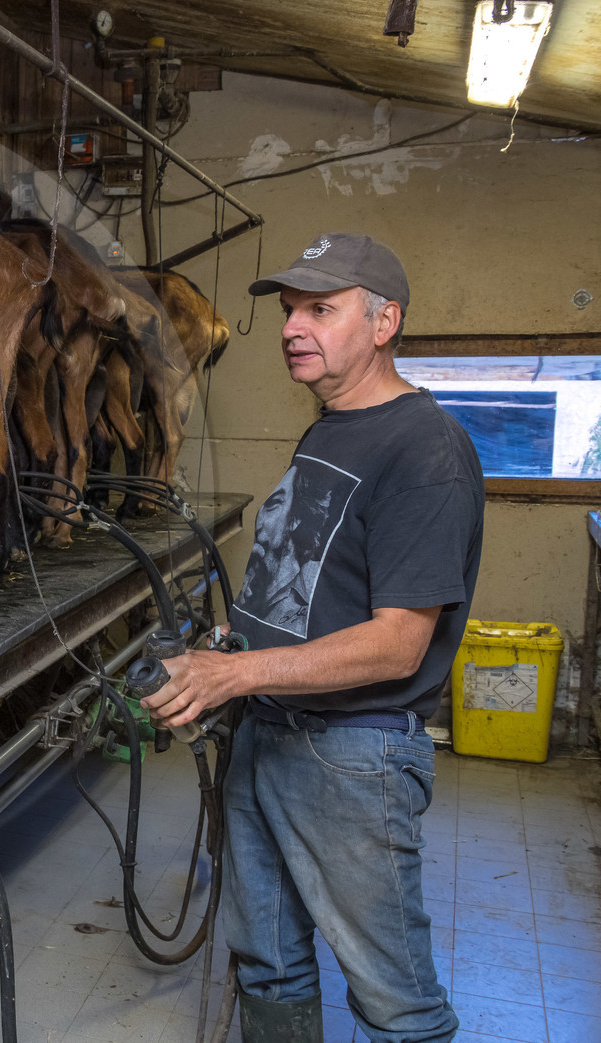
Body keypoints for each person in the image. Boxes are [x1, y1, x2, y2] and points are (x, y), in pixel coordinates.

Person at [142, 233, 483, 1043]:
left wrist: (235, 674)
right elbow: (312, 580)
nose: (294, 326)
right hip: (269, 733)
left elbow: (399, 644)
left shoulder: (423, 450)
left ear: (382, 321)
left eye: (320, 309)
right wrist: (234, 639)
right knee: (269, 962)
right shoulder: (329, 430)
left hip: (354, 756)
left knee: (397, 1003)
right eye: (291, 309)